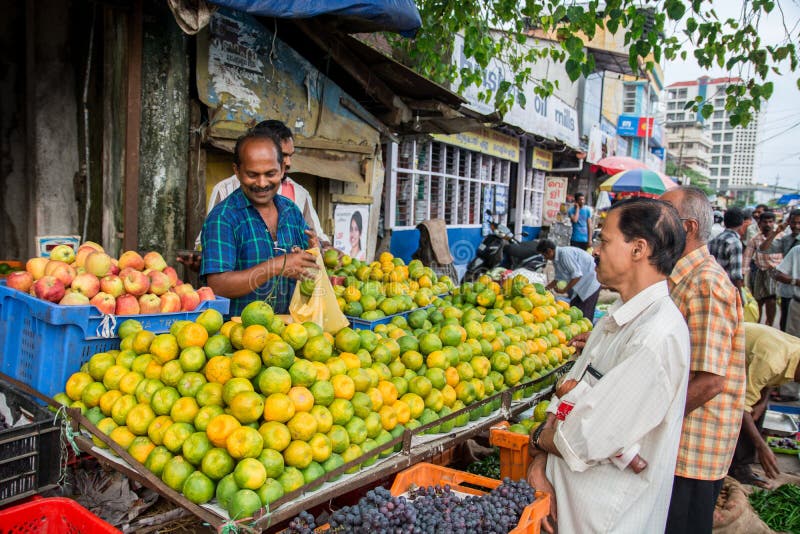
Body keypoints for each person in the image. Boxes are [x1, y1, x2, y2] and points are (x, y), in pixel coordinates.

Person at [526, 197, 690, 534]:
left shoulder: (654, 338)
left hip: (604, 519)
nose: (595, 250)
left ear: (638, 249)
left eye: (604, 239)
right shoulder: (617, 317)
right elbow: (564, 396)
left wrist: (538, 439)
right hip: (565, 505)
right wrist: (540, 465)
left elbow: (586, 437)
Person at [660, 186, 746, 534]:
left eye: (663, 217)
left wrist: (651, 420)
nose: (654, 225)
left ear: (689, 227)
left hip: (694, 449)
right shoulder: (682, 277)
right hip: (677, 445)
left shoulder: (706, 284)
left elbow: (710, 381)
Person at [181, 120, 332, 271]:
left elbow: (315, 240)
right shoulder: (225, 199)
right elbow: (210, 255)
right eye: (283, 155)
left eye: (289, 156)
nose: (288, 163)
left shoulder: (295, 200)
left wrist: (320, 250)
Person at [200, 129, 319, 316]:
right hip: (241, 338)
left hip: (289, 335)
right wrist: (276, 266)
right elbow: (218, 286)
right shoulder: (223, 218)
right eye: (253, 174)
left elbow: (305, 261)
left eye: (270, 173)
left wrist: (313, 253)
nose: (262, 183)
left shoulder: (291, 211)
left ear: (281, 169)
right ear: (237, 171)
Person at [728, 323, 800, 487]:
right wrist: (761, 446)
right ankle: (737, 468)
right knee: (742, 411)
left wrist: (763, 402)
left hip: (752, 359)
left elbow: (771, 378)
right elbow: (742, 407)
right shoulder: (774, 361)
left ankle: (742, 464)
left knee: (758, 408)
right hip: (727, 352)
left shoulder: (795, 352)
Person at [536, 239, 601, 322]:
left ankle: (587, 334)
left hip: (591, 282)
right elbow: (558, 277)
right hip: (581, 284)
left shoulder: (565, 254)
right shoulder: (556, 258)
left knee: (585, 316)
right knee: (574, 309)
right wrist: (546, 289)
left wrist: (565, 290)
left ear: (549, 251)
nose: (545, 258)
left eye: (544, 255)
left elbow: (577, 275)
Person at [759, 208, 800, 331]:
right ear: (789, 222)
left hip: (795, 290)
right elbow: (763, 249)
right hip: (787, 290)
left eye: (799, 223)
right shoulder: (787, 240)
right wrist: (776, 232)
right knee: (785, 325)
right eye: (794, 222)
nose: (797, 226)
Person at [744, 211, 783, 327]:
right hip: (759, 271)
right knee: (758, 300)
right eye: (765, 222)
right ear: (759, 223)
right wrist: (743, 272)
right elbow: (747, 255)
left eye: (770, 222)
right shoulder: (755, 239)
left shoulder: (781, 238)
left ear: (774, 223)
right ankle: (758, 325)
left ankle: (769, 324)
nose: (768, 224)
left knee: (771, 299)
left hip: (774, 271)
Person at [709, 206, 745, 288]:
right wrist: (740, 296)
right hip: (726, 287)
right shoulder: (735, 243)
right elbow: (736, 276)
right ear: (742, 223)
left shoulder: (716, 239)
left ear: (724, 222)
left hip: (713, 284)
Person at [772, 244, 800, 337]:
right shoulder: (797, 251)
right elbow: (778, 274)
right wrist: (796, 281)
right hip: (797, 306)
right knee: (794, 343)